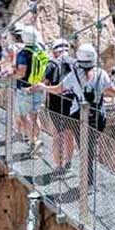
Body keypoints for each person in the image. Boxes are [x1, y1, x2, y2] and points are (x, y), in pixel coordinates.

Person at [29, 43, 115, 183]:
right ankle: (89, 171)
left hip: (77, 116)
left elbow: (58, 89)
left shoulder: (73, 76)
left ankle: (87, 175)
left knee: (83, 146)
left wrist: (43, 87)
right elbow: (114, 92)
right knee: (90, 144)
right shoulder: (101, 74)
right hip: (98, 116)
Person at [14, 24, 49, 155]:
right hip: (37, 88)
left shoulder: (23, 53)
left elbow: (21, 73)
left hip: (25, 90)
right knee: (34, 116)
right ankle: (37, 141)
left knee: (23, 117)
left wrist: (11, 74)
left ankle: (33, 141)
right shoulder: (40, 51)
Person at [44, 38, 75, 172]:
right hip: (73, 104)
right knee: (69, 134)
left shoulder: (52, 63)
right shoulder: (76, 64)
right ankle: (68, 162)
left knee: (57, 136)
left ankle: (58, 166)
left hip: (55, 104)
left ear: (55, 52)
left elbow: (45, 83)